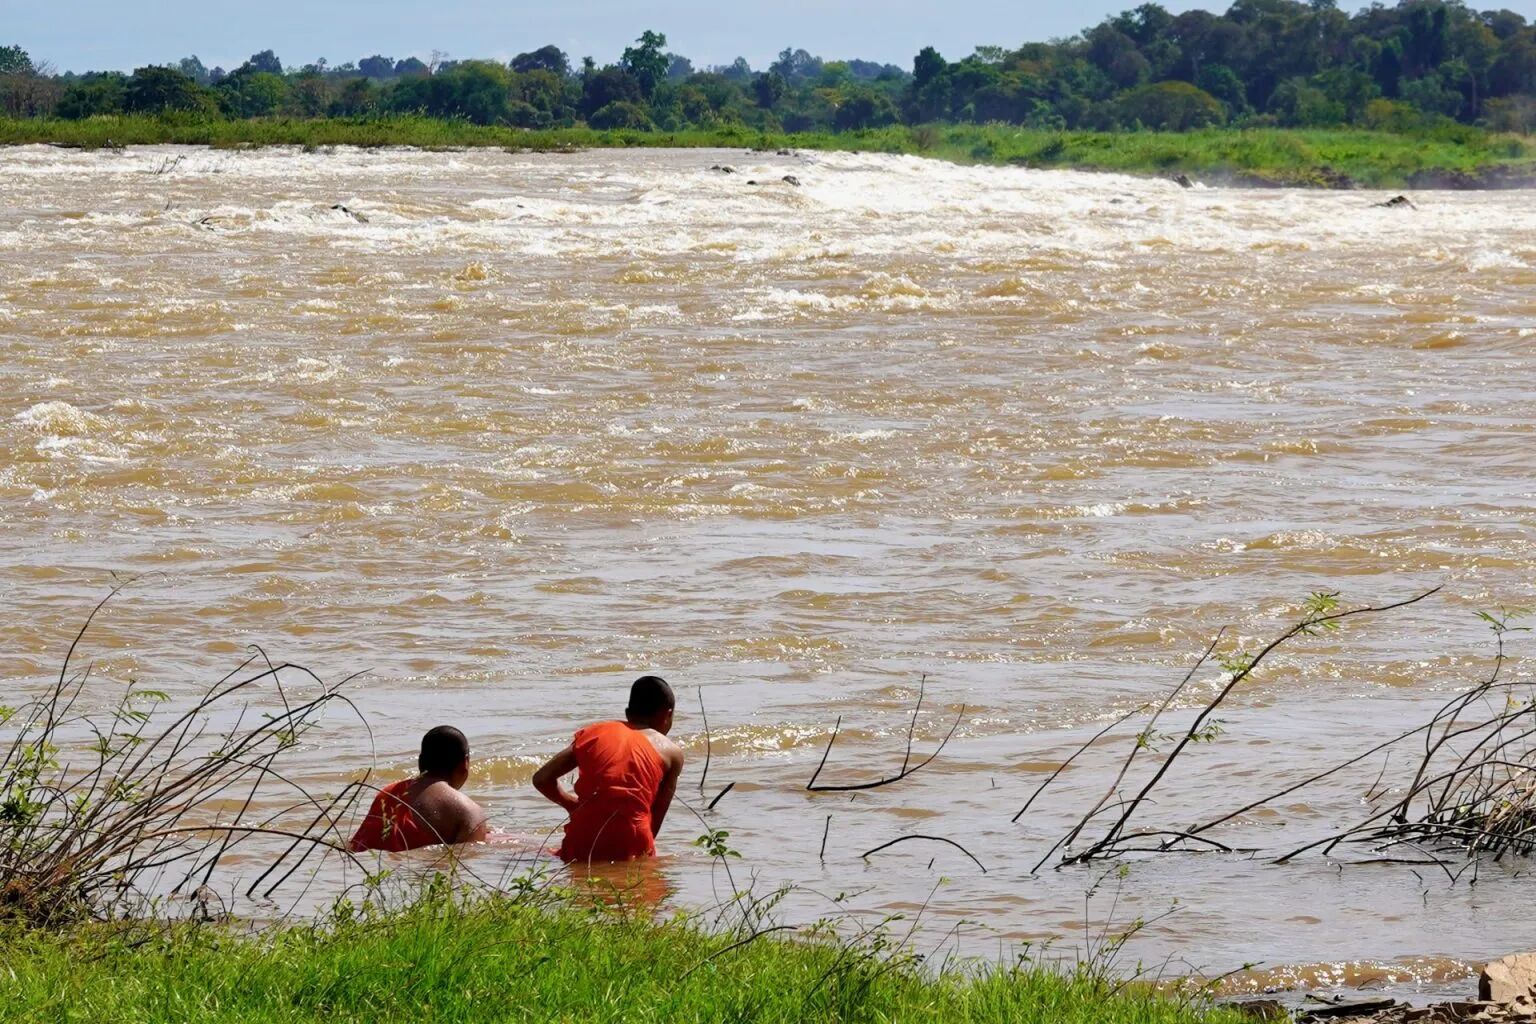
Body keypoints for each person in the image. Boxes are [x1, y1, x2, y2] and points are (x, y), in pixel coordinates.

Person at [533, 675, 685, 863]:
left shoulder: (594, 733)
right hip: (632, 837)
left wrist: (572, 805)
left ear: (628, 713)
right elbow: (655, 819)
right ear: (667, 715)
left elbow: (541, 779)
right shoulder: (671, 752)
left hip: (583, 834)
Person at [349, 725, 489, 852]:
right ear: (465, 763)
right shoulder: (469, 811)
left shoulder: (388, 793)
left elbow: (356, 847)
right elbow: (466, 860)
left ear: (420, 761)